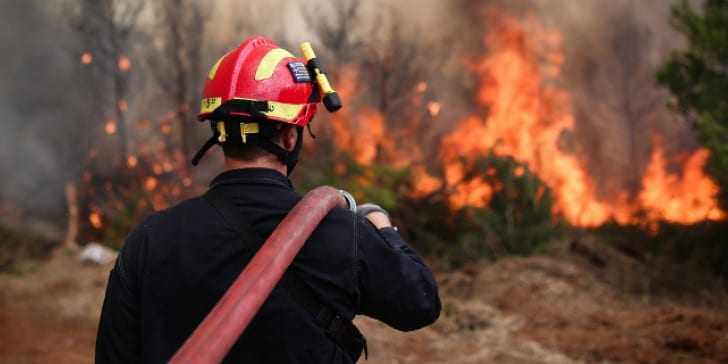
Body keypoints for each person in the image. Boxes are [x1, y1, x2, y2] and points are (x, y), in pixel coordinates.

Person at [95, 36, 441, 363]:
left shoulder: (150, 239)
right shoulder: (341, 233)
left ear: (219, 132)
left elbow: (113, 356)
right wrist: (380, 223)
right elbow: (420, 303)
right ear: (290, 136)